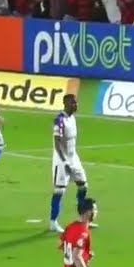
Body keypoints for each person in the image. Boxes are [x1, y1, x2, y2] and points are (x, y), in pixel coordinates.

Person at [50, 95, 91, 233]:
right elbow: (57, 143)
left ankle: (82, 218)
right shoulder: (59, 120)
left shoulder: (72, 118)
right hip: (61, 160)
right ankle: (53, 222)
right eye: (73, 102)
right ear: (66, 103)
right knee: (59, 191)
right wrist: (64, 161)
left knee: (83, 185)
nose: (76, 105)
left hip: (74, 158)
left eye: (76, 102)